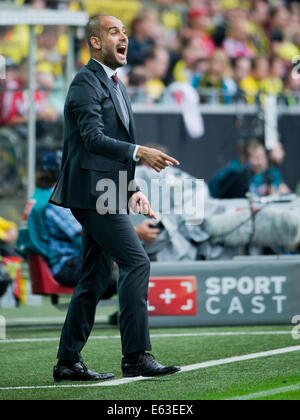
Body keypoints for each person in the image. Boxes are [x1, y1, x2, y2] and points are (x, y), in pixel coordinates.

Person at [50, 15, 181, 382]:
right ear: (95, 42)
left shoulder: (115, 84)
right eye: (113, 32)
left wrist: (132, 190)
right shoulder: (83, 83)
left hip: (105, 193)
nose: (123, 37)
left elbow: (106, 149)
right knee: (136, 263)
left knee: (93, 277)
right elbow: (92, 140)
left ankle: (67, 362)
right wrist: (140, 152)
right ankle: (136, 356)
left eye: (124, 31)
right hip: (90, 195)